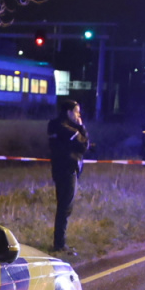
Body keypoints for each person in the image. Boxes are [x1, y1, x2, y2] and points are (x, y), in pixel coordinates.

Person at [48, 98, 89, 252]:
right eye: (77, 112)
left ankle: (59, 242)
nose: (79, 115)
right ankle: (60, 244)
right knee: (65, 207)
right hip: (69, 169)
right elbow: (84, 145)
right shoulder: (68, 129)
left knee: (63, 205)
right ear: (69, 112)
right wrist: (81, 126)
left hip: (58, 168)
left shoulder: (53, 124)